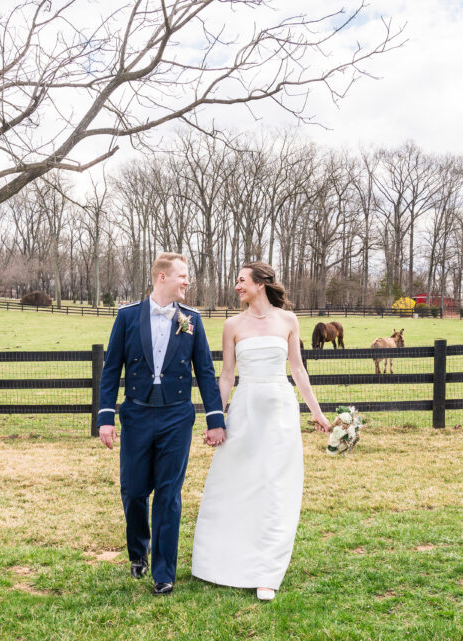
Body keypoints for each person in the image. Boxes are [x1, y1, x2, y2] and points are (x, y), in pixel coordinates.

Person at [191, 261, 330, 601]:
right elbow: (226, 376)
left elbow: (297, 370)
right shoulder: (232, 325)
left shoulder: (288, 320)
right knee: (236, 481)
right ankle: (224, 560)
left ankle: (267, 571)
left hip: (280, 410)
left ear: (261, 283)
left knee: (275, 485)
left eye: (241, 280)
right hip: (245, 408)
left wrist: (317, 412)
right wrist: (216, 419)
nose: (237, 286)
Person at [97, 252, 226, 595]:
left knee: (168, 495)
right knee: (134, 491)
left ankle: (164, 573)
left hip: (177, 417)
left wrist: (215, 419)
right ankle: (139, 550)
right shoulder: (126, 317)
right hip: (136, 415)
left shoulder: (192, 320)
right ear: (162, 277)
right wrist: (106, 417)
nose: (187, 281)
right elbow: (111, 371)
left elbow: (206, 373)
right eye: (182, 275)